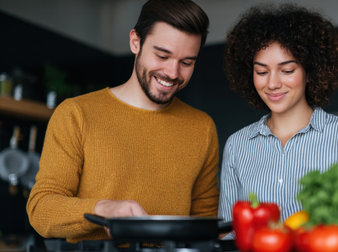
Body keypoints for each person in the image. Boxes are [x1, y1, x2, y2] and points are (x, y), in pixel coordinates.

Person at [27, 0, 219, 243]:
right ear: (135, 42)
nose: (173, 72)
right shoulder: (76, 114)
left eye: (187, 62)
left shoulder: (202, 127)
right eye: (162, 55)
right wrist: (103, 209)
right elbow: (41, 210)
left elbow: (206, 222)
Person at [218, 3, 338, 225]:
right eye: (261, 71)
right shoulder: (237, 145)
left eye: (287, 70)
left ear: (310, 72)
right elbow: (228, 231)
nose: (272, 83)